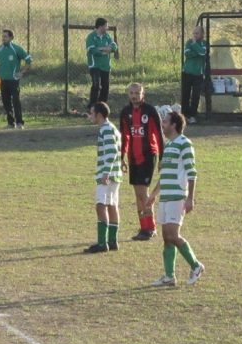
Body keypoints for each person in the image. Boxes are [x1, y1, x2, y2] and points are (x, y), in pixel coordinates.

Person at [146, 111, 204, 287]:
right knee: (166, 237)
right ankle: (169, 276)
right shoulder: (169, 145)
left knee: (173, 235)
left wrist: (190, 198)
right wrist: (153, 196)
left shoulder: (184, 144)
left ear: (174, 125)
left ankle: (196, 265)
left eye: (165, 122)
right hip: (165, 198)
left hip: (177, 196)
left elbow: (192, 172)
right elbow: (164, 176)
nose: (162, 124)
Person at [119, 83, 163, 241]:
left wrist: (161, 159)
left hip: (148, 155)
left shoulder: (150, 111)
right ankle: (143, 227)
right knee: (137, 194)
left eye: (137, 93)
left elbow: (158, 135)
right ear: (128, 94)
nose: (134, 95)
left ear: (143, 94)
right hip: (133, 157)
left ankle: (150, 228)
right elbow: (125, 136)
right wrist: (122, 156)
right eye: (131, 93)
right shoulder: (125, 112)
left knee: (143, 193)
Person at [85, 101, 123, 253]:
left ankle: (102, 243)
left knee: (100, 205)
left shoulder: (106, 129)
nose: (90, 116)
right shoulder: (111, 127)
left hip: (108, 174)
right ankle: (112, 241)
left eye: (92, 113)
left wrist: (105, 172)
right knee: (112, 205)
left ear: (99, 115)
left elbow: (112, 151)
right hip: (115, 174)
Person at [0, 29, 33, 128]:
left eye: (5, 36)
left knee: (16, 101)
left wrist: (22, 72)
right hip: (3, 80)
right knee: (6, 102)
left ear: (11, 38)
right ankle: (11, 123)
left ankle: (19, 123)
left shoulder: (16, 49)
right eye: (2, 36)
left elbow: (29, 60)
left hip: (13, 80)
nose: (3, 38)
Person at [86, 17, 118, 107]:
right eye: (106, 26)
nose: (107, 28)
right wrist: (105, 49)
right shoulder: (91, 37)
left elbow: (114, 47)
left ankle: (102, 106)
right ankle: (92, 106)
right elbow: (92, 50)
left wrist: (102, 48)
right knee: (96, 85)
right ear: (100, 26)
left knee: (105, 87)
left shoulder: (107, 36)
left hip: (105, 66)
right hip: (95, 65)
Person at [181, 25, 208, 122]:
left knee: (195, 96)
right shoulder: (189, 42)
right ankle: (184, 116)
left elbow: (202, 52)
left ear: (202, 34)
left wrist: (194, 45)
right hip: (187, 73)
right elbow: (187, 53)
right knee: (185, 95)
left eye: (197, 33)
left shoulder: (204, 43)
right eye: (194, 33)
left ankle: (192, 116)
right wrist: (195, 51)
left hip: (198, 74)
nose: (195, 35)